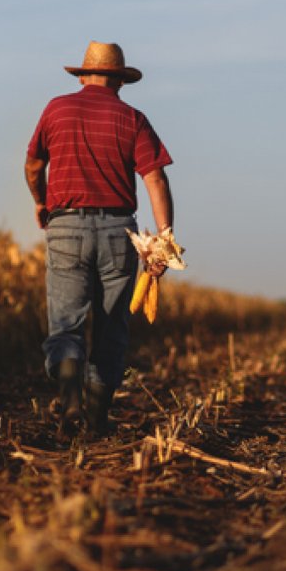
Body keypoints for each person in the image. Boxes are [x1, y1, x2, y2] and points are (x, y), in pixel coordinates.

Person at [23, 41, 175, 433]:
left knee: (67, 323)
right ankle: (96, 418)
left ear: (84, 75)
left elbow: (34, 164)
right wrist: (163, 239)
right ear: (120, 80)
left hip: (66, 226)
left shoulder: (56, 109)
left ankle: (70, 401)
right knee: (112, 327)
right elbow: (155, 177)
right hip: (117, 232)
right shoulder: (132, 118)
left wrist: (41, 202)